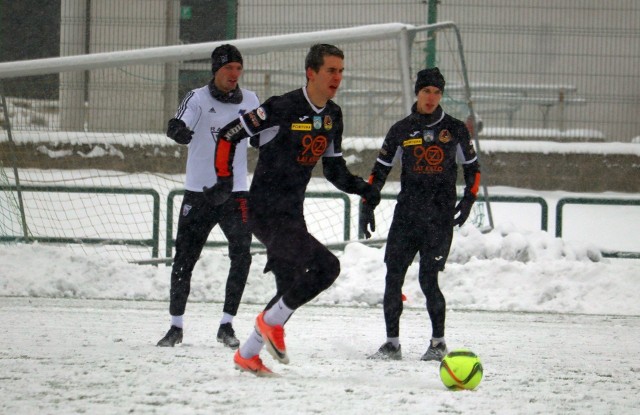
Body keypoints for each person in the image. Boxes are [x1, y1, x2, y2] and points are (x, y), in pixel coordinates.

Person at [204, 44, 380, 376]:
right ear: (311, 72)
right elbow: (228, 136)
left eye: (341, 71)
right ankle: (268, 326)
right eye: (331, 70)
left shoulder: (333, 116)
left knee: (290, 290)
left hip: (291, 214)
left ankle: (248, 354)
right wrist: (225, 181)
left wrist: (364, 189)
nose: (338, 77)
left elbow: (333, 170)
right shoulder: (281, 107)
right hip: (265, 211)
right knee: (327, 268)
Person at [362, 67, 481, 361]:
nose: (431, 97)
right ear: (418, 92)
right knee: (393, 277)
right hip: (407, 216)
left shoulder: (454, 129)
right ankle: (392, 344)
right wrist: (368, 203)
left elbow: (473, 168)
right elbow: (379, 171)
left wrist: (468, 199)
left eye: (437, 92)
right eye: (426, 91)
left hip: (438, 218)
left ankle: (438, 344)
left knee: (429, 281)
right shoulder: (401, 129)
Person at [157, 45, 259, 349]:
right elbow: (180, 122)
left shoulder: (251, 101)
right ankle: (175, 327)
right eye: (228, 68)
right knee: (184, 259)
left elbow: (263, 135)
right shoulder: (197, 98)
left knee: (242, 255)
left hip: (235, 193)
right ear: (215, 70)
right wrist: (177, 130)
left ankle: (227, 325)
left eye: (238, 69)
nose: (234, 74)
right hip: (199, 194)